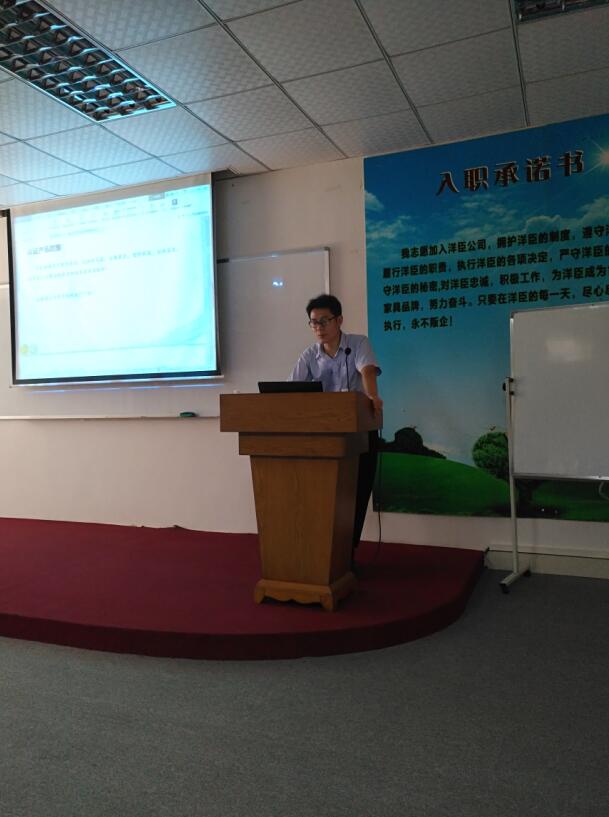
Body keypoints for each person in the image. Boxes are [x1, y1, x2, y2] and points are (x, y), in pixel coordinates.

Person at [289, 294, 382, 565]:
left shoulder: (358, 344)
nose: (318, 327)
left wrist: (372, 396)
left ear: (339, 320)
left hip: (359, 433)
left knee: (356, 494)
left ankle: (346, 551)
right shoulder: (310, 355)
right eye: (313, 322)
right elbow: (290, 390)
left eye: (324, 321)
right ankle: (322, 550)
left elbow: (367, 370)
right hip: (325, 435)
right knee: (326, 496)